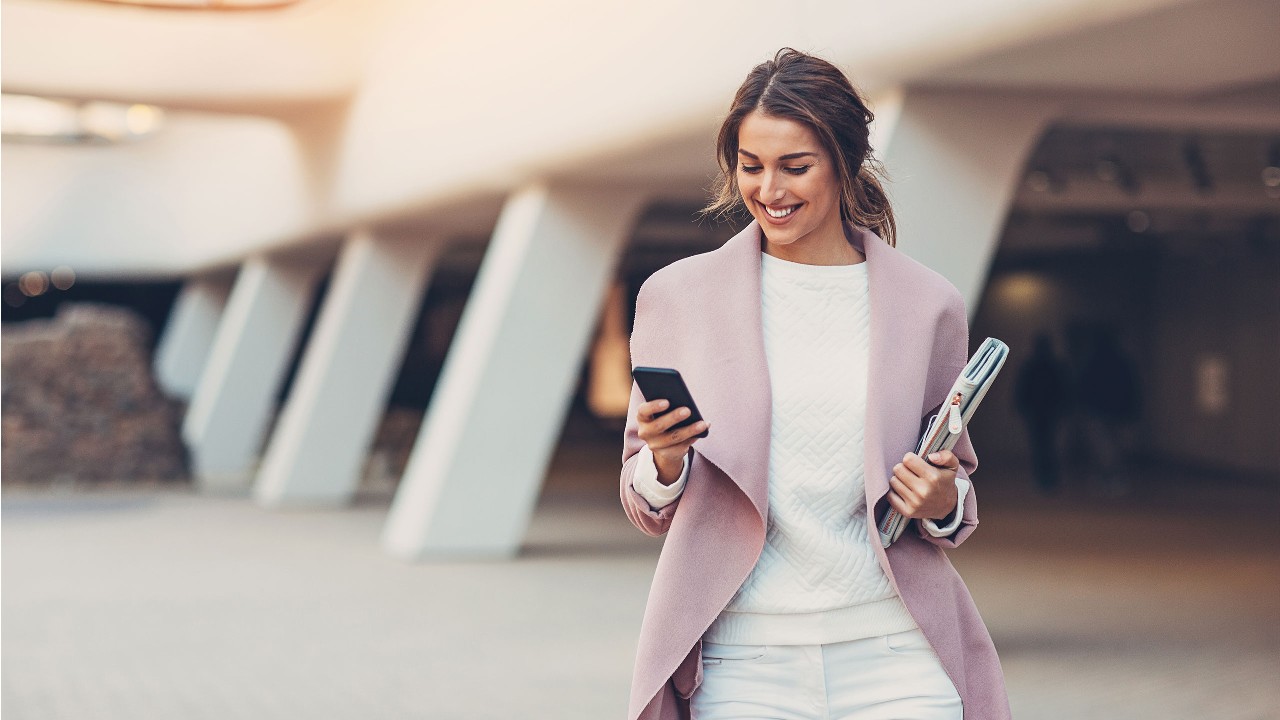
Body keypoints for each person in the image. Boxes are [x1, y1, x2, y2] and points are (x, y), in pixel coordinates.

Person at [618, 49, 1009, 720]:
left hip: (896, 651)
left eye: (795, 167)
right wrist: (665, 459)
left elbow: (955, 495)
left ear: (845, 161)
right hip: (746, 660)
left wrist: (941, 497)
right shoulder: (679, 297)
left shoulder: (927, 305)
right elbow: (645, 503)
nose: (770, 190)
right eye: (751, 166)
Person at [1014, 332, 1072, 494]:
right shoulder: (1053, 365)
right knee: (1047, 444)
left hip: (1041, 411)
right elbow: (1064, 388)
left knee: (1041, 445)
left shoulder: (1032, 365)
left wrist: (1022, 407)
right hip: (1046, 411)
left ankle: (1045, 478)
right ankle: (1048, 478)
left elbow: (1022, 389)